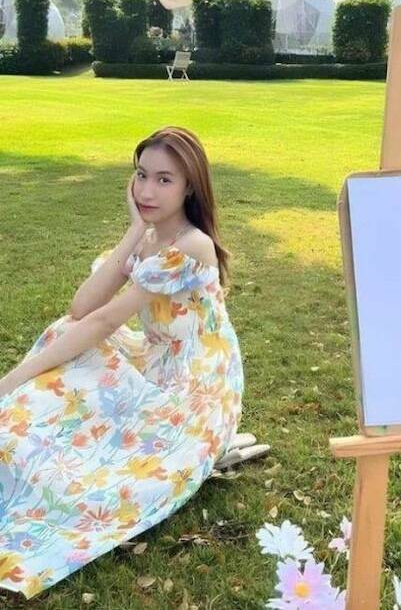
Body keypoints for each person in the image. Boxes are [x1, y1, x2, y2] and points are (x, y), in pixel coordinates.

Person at [0, 126, 253, 599]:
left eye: (164, 180)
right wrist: (136, 229)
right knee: (64, 332)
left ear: (190, 187)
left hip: (196, 388)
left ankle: (25, 440)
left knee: (109, 463)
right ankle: (18, 432)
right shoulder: (150, 238)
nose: (147, 190)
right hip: (155, 360)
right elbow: (82, 308)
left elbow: (101, 321)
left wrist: (11, 379)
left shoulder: (192, 245)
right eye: (141, 175)